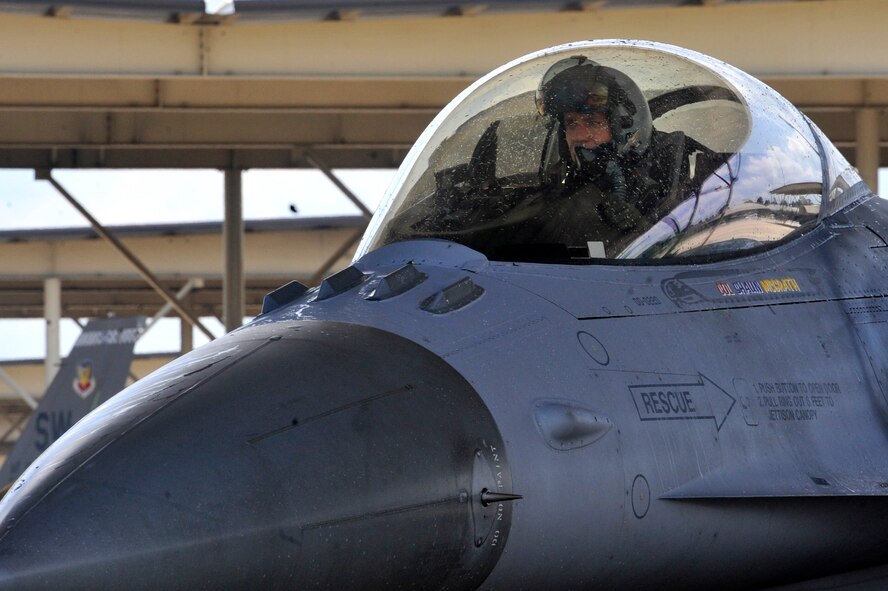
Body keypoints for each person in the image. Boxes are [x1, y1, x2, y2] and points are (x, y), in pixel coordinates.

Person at [533, 55, 692, 256]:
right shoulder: (559, 188)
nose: (580, 136)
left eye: (593, 122)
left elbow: (688, 249)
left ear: (624, 130)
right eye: (572, 124)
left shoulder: (665, 182)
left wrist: (641, 230)